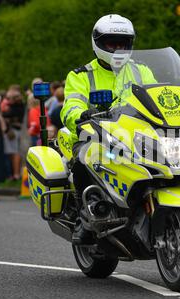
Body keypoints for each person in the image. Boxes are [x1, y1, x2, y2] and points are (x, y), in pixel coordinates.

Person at [61, 14, 155, 244]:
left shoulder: (141, 70)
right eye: (112, 43)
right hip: (93, 134)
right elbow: (69, 107)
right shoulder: (80, 75)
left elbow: (158, 95)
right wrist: (81, 114)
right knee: (86, 156)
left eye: (123, 43)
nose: (118, 48)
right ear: (99, 43)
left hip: (135, 134)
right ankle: (85, 217)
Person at [2, 87, 25, 180]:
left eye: (8, 98)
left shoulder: (16, 107)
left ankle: (16, 174)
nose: (7, 100)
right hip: (14, 130)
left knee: (14, 152)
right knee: (13, 152)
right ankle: (15, 173)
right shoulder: (18, 106)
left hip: (14, 131)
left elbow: (7, 115)